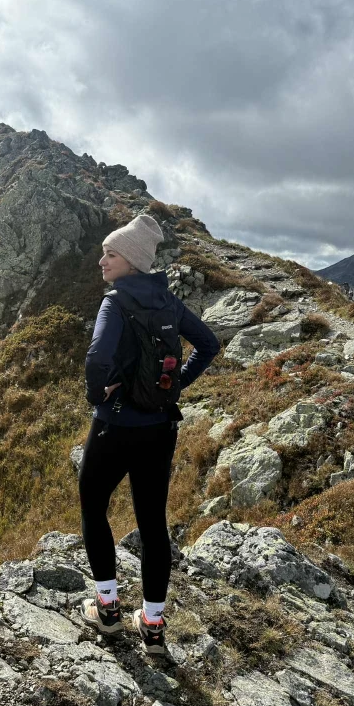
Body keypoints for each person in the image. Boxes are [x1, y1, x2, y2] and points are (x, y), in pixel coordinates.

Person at [79, 213, 220, 655]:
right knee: (153, 523)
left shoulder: (116, 302)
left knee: (93, 506)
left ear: (132, 261)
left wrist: (96, 396)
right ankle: (154, 626)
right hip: (160, 429)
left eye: (111, 254)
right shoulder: (169, 302)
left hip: (115, 425)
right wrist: (176, 386)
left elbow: (97, 358)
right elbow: (209, 344)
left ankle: (108, 609)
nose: (102, 261)